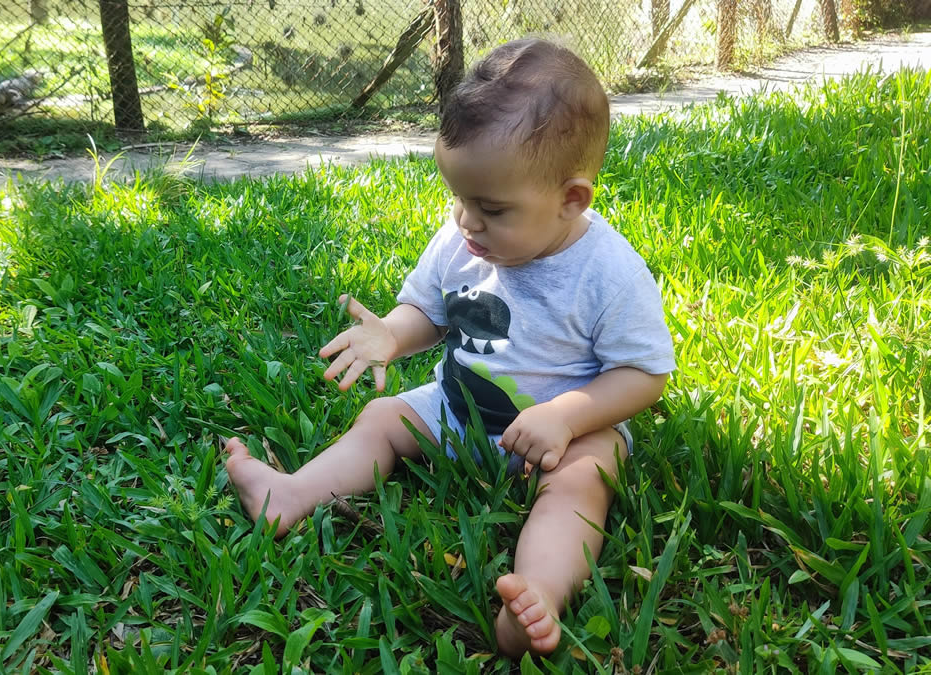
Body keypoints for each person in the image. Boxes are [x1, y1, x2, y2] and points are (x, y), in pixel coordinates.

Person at [223, 37, 675, 657]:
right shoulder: (462, 241)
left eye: (491, 208)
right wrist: (392, 332)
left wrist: (567, 418)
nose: (467, 221)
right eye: (459, 198)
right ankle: (291, 494)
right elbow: (428, 313)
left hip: (565, 438)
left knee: (583, 482)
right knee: (382, 417)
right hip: (458, 410)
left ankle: (537, 595)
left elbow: (644, 374)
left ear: (571, 199)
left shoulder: (609, 273)